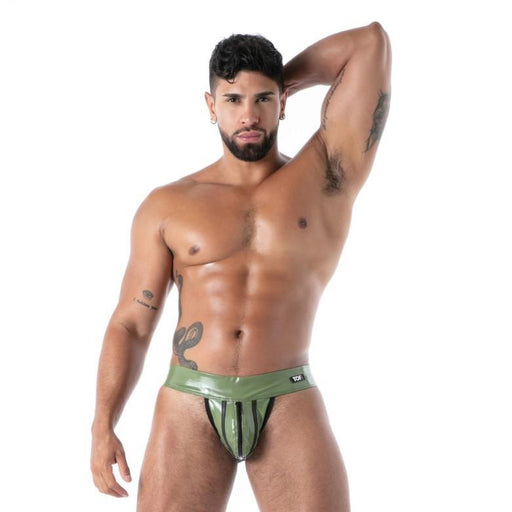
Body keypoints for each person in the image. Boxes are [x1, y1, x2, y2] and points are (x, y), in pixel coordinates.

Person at [90, 22, 391, 511]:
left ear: (283, 101)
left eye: (263, 99)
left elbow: (369, 42)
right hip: (188, 402)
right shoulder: (167, 205)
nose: (248, 115)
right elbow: (131, 322)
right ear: (211, 106)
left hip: (287, 397)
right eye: (233, 100)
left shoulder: (326, 177)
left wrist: (282, 76)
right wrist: (103, 423)